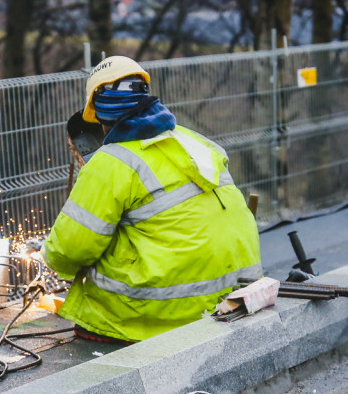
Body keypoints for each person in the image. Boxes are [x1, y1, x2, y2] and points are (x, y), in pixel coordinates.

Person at [41, 56, 262, 344]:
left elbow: (69, 251)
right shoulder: (196, 141)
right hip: (230, 297)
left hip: (161, 312)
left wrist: (46, 256)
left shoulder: (111, 163)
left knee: (89, 313)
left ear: (100, 109)